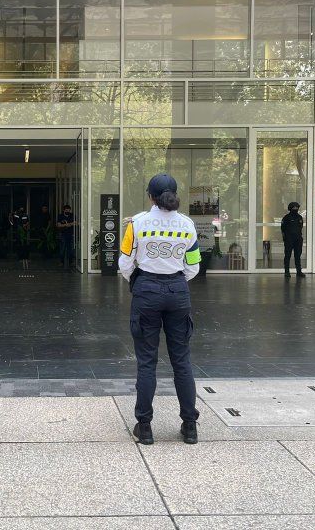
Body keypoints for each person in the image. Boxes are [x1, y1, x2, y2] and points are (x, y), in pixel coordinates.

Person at [119, 173, 201, 446]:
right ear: (175, 194)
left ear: (150, 196)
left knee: (146, 362)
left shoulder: (137, 223)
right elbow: (193, 266)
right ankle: (190, 426)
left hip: (147, 292)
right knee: (182, 361)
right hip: (178, 292)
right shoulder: (187, 225)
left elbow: (125, 262)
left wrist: (139, 280)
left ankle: (144, 427)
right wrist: (175, 280)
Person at [281, 201, 305, 278]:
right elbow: (283, 228)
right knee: (287, 255)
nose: (295, 208)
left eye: (297, 207)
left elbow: (300, 227)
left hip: (298, 239)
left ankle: (299, 271)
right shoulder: (286, 218)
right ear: (290, 208)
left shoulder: (300, 217)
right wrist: (285, 238)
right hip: (289, 239)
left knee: (298, 256)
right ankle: (287, 272)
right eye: (294, 207)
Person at [56, 204, 76, 269]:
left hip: (71, 234)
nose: (68, 211)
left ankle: (71, 262)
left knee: (71, 249)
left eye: (69, 210)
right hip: (63, 234)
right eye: (66, 210)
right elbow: (58, 225)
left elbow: (76, 223)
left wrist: (69, 224)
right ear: (63, 210)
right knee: (62, 249)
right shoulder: (60, 216)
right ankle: (61, 262)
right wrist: (66, 225)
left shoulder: (72, 215)